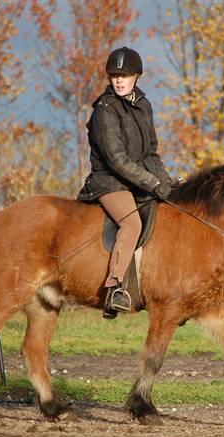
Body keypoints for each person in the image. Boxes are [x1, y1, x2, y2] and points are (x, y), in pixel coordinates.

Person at [78, 46, 173, 317]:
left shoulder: (144, 105)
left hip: (135, 181)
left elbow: (150, 153)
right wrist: (151, 183)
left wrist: (166, 184)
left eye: (125, 75)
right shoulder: (105, 111)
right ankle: (115, 287)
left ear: (137, 77)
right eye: (115, 75)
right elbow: (117, 161)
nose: (119, 80)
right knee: (132, 223)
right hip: (109, 182)